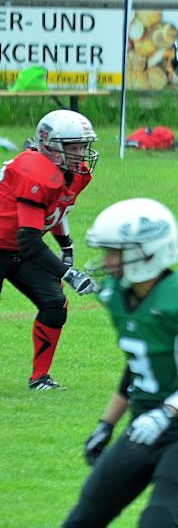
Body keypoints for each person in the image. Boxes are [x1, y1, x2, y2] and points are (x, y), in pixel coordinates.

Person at [56, 199, 178, 528]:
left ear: (149, 251)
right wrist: (106, 424)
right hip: (142, 425)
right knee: (77, 527)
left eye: (115, 252)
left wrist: (166, 413)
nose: (107, 261)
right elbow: (137, 366)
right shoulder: (119, 296)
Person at [0, 110, 99, 390]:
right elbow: (30, 239)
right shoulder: (32, 169)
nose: (81, 154)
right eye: (73, 147)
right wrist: (69, 273)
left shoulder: (77, 174)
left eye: (82, 146)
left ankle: (39, 378)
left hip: (18, 246)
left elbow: (55, 208)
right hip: (15, 242)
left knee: (55, 304)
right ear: (49, 145)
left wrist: (65, 244)